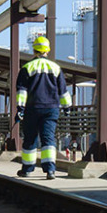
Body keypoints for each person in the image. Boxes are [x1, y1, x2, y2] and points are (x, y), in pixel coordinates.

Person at [16, 35, 69, 179]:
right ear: (48, 50)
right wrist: (67, 107)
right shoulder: (56, 68)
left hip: (32, 108)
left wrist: (20, 108)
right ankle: (50, 170)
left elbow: (22, 91)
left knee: (30, 138)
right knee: (48, 139)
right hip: (51, 108)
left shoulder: (27, 67)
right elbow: (63, 90)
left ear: (34, 50)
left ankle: (27, 169)